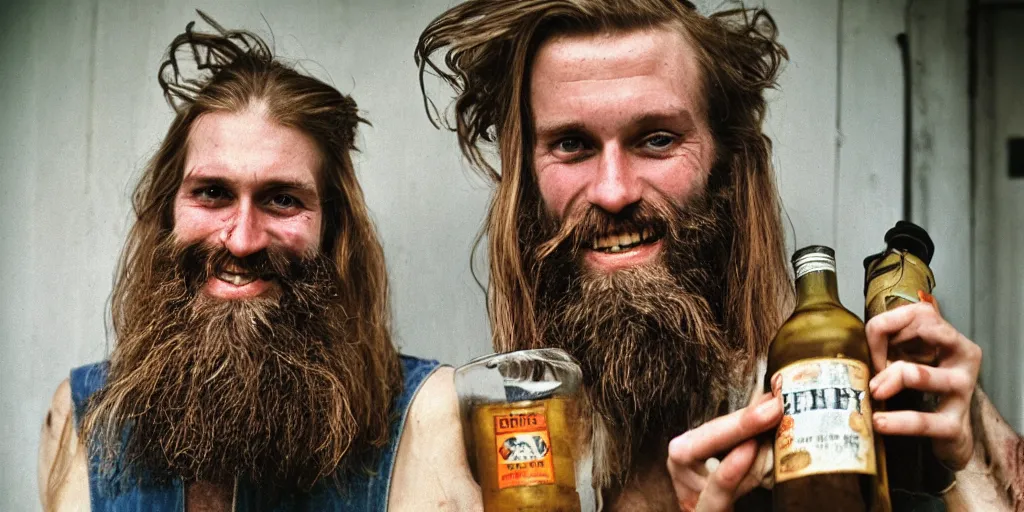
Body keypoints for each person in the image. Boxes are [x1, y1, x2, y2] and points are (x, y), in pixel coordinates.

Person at [416, 1, 1011, 509]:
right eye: (572, 145)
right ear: (527, 180)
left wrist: (970, 467)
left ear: (726, 164)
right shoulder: (478, 442)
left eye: (657, 139)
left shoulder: (839, 404)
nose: (614, 190)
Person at [38, 13, 480, 511]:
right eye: (211, 193)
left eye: (283, 200)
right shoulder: (82, 418)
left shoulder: (426, 415)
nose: (243, 241)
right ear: (167, 213)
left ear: (332, 231)